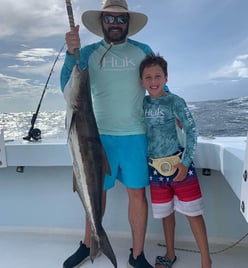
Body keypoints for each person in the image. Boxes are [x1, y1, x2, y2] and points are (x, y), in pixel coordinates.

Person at [60, 0, 154, 268]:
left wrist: (173, 110)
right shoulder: (86, 53)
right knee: (95, 192)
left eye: (121, 19)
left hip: (135, 135)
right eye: (110, 19)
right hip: (97, 137)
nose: (115, 23)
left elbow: (155, 84)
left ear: (128, 23)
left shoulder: (142, 51)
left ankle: (137, 255)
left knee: (138, 194)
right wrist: (70, 53)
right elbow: (67, 87)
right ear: (101, 22)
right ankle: (89, 244)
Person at [139, 53, 212, 268]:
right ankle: (169, 254)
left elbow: (192, 131)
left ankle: (206, 260)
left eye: (158, 76)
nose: (153, 81)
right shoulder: (142, 104)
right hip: (155, 168)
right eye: (148, 77)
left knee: (193, 213)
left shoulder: (175, 101)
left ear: (166, 78)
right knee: (166, 214)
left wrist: (185, 162)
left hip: (180, 165)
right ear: (142, 81)